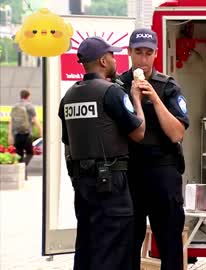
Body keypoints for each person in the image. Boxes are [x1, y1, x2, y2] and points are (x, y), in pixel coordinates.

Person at [58, 36, 146, 270]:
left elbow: (68, 141)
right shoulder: (111, 93)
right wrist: (136, 99)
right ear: (103, 61)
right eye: (112, 55)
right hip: (111, 185)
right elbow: (138, 132)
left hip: (83, 184)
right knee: (114, 248)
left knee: (87, 246)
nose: (115, 59)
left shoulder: (69, 96)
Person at [118, 28, 189, 270]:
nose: (143, 59)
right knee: (128, 244)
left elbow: (177, 133)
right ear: (129, 53)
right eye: (138, 52)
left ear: (156, 54)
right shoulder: (117, 86)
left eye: (149, 53)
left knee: (169, 243)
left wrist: (154, 98)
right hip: (130, 172)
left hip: (163, 171)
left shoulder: (167, 86)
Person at [8, 89, 42, 167]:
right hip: (27, 134)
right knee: (30, 153)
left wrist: (10, 135)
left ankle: (21, 171)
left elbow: (11, 122)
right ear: (28, 96)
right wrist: (41, 131)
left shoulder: (15, 106)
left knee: (19, 155)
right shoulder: (30, 106)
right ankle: (23, 166)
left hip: (17, 135)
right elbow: (35, 120)